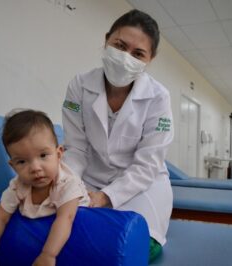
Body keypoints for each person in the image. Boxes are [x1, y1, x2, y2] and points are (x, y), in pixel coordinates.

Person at [62, 9, 173, 262]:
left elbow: (147, 164)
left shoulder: (158, 97)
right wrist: (65, 186)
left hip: (141, 188)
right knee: (64, 230)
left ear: (150, 59)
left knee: (134, 245)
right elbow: (76, 149)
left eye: (138, 54)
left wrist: (107, 196)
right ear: (106, 39)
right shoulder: (79, 85)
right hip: (89, 179)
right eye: (120, 46)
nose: (125, 58)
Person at [0, 110, 90, 266]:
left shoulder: (67, 184)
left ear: (59, 154)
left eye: (43, 155)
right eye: (22, 162)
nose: (35, 168)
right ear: (13, 166)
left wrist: (48, 255)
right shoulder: (18, 186)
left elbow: (66, 218)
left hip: (77, 213)